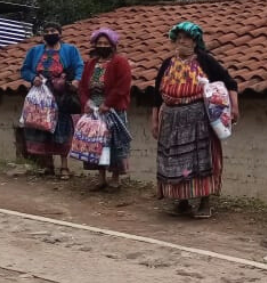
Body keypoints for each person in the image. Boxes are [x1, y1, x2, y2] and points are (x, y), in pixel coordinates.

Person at [151, 21, 238, 219]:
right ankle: (182, 201)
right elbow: (156, 96)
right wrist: (155, 120)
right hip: (171, 120)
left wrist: (234, 108)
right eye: (179, 38)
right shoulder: (167, 64)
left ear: (195, 41)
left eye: (186, 38)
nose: (182, 42)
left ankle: (205, 201)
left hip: (199, 119)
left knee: (201, 160)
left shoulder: (205, 61)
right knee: (176, 160)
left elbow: (230, 83)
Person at [20, 22, 84, 179]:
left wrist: (76, 80)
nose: (50, 33)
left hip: (61, 95)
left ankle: (64, 167)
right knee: (41, 126)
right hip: (41, 95)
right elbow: (25, 69)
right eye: (47, 31)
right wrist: (33, 77)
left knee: (62, 128)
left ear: (60, 33)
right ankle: (49, 165)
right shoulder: (35, 51)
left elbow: (79, 66)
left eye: (53, 30)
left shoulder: (70, 50)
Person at [78, 27, 133, 191]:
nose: (102, 45)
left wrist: (107, 104)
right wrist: (86, 103)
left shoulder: (120, 62)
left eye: (105, 43)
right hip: (94, 110)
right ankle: (101, 178)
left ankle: (115, 179)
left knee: (114, 145)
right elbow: (81, 87)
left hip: (113, 110)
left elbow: (122, 86)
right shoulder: (90, 64)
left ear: (113, 45)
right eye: (99, 43)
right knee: (97, 144)